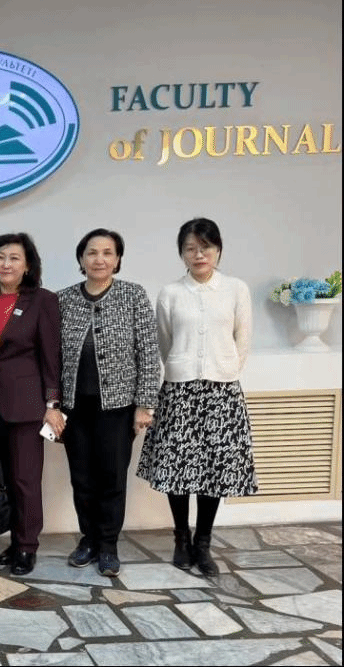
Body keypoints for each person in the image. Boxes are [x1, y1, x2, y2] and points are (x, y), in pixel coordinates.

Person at [137, 218, 257, 576]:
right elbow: (164, 342)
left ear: (218, 249)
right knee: (178, 467)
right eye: (190, 248)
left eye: (205, 247)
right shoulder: (171, 293)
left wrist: (224, 370)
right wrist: (184, 368)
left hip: (222, 391)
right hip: (180, 391)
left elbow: (243, 339)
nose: (199, 254)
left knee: (214, 470)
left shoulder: (235, 289)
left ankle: (203, 542)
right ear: (182, 253)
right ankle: (181, 538)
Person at [57, 228, 160, 577]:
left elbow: (149, 351)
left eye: (107, 252)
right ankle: (88, 540)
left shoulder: (133, 295)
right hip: (75, 407)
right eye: (92, 252)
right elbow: (53, 356)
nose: (99, 259)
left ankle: (108, 545)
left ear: (117, 260)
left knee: (112, 477)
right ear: (81, 259)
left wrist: (145, 404)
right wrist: (53, 405)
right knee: (81, 477)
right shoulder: (64, 299)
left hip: (117, 407)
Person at [0, 233, 63, 577]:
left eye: (14, 258)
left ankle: (27, 545)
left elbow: (51, 355)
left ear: (27, 265)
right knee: (6, 480)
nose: (6, 264)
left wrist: (53, 403)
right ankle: (14, 541)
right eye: (0, 257)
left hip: (28, 406)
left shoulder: (42, 300)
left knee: (26, 479)